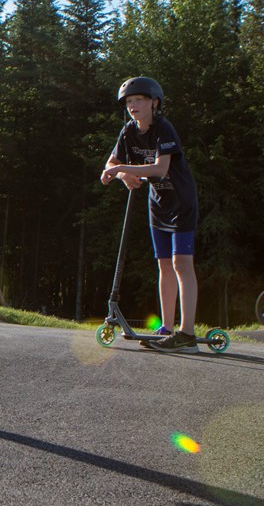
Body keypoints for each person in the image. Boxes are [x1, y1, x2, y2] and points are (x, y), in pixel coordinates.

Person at [100, 76, 200, 352]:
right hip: (158, 204)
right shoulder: (128, 131)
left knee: (181, 264)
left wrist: (123, 170)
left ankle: (187, 334)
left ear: (154, 103)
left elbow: (160, 169)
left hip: (181, 202)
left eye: (139, 100)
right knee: (164, 265)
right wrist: (121, 175)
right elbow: (111, 163)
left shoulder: (163, 129)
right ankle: (166, 328)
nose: (133, 106)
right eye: (129, 102)